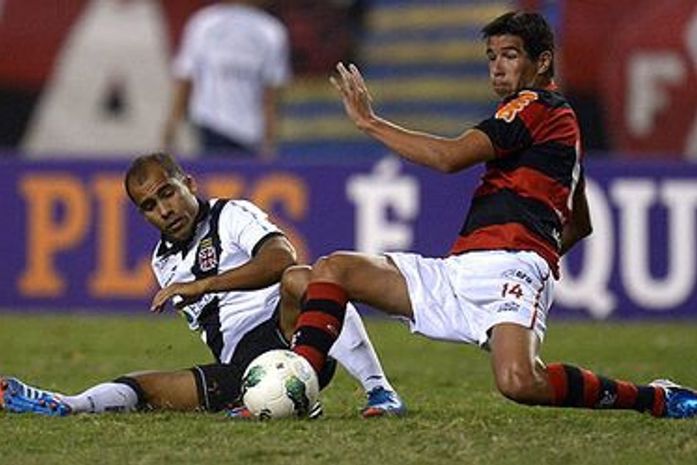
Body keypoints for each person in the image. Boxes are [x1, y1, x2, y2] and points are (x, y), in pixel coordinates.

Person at [288, 11, 697, 419]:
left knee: (520, 382)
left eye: (510, 55)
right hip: (460, 270)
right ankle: (302, 383)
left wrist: (370, 123)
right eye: (491, 56)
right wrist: (545, 246)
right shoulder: (558, 125)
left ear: (543, 62)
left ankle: (655, 398)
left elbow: (450, 158)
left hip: (511, 272)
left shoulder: (536, 105)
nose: (497, 68)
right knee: (333, 269)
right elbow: (580, 222)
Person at [0, 152, 405, 418]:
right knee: (144, 387)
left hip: (295, 330)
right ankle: (65, 404)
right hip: (241, 366)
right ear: (143, 216)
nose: (164, 210)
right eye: (150, 206)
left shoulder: (231, 214)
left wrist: (203, 285)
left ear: (189, 185)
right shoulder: (164, 262)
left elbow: (282, 258)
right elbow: (219, 333)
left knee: (305, 279)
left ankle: (379, 390)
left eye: (167, 194)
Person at [162, 0, 289, 159]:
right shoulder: (270, 30)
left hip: (235, 129)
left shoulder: (205, 22)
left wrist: (171, 127)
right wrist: (270, 143)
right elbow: (271, 95)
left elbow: (186, 80)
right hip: (216, 126)